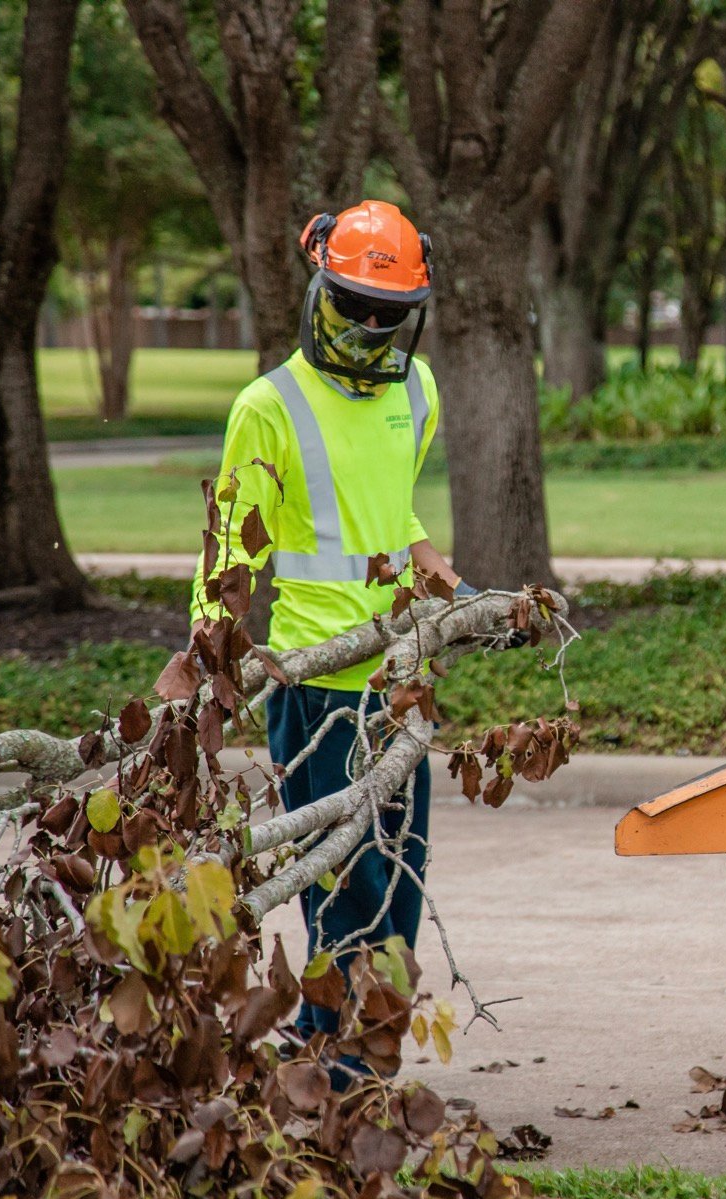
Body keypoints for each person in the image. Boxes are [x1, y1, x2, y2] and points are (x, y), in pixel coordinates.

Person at [191, 200, 465, 1073]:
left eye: (391, 315)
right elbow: (227, 554)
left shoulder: (417, 393)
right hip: (316, 691)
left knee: (401, 879)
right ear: (320, 288)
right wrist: (208, 674)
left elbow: (391, 510)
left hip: (400, 686)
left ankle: (348, 1053)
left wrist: (432, 562)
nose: (373, 326)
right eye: (356, 307)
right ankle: (344, 1066)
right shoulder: (267, 407)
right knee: (342, 889)